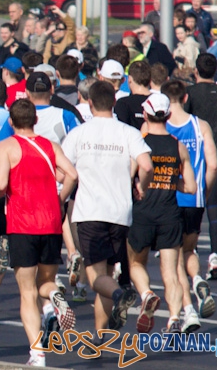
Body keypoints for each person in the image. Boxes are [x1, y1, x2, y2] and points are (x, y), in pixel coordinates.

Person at [0, 99, 78, 367]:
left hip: (22, 224)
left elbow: (2, 184)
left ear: (11, 122)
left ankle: (37, 353)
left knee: (27, 292)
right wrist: (59, 199)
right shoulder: (50, 146)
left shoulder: (6, 146)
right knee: (46, 283)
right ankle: (55, 296)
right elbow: (72, 174)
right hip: (50, 222)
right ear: (36, 121)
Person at [61, 80, 152, 332]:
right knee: (107, 273)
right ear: (114, 102)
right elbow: (146, 165)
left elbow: (64, 173)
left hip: (90, 212)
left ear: (89, 103)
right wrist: (140, 186)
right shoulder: (128, 132)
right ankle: (100, 337)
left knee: (96, 279)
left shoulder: (79, 133)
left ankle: (121, 294)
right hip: (120, 213)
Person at [129, 93, 198, 334]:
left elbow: (130, 178)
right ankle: (174, 319)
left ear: (145, 115)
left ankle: (147, 294)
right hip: (170, 214)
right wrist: (169, 180)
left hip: (143, 212)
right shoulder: (178, 146)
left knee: (136, 263)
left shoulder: (139, 141)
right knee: (170, 272)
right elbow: (191, 187)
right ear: (168, 115)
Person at [161, 79, 217, 331]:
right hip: (194, 199)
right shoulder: (200, 125)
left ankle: (189, 312)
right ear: (185, 98)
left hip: (170, 199)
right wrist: (202, 189)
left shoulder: (159, 126)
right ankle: (197, 279)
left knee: (173, 262)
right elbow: (213, 164)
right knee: (190, 251)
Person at [184, 52, 217, 281]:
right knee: (214, 207)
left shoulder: (190, 94)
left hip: (195, 156)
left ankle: (189, 251)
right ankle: (214, 254)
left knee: (192, 208)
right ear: (216, 70)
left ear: (196, 70)